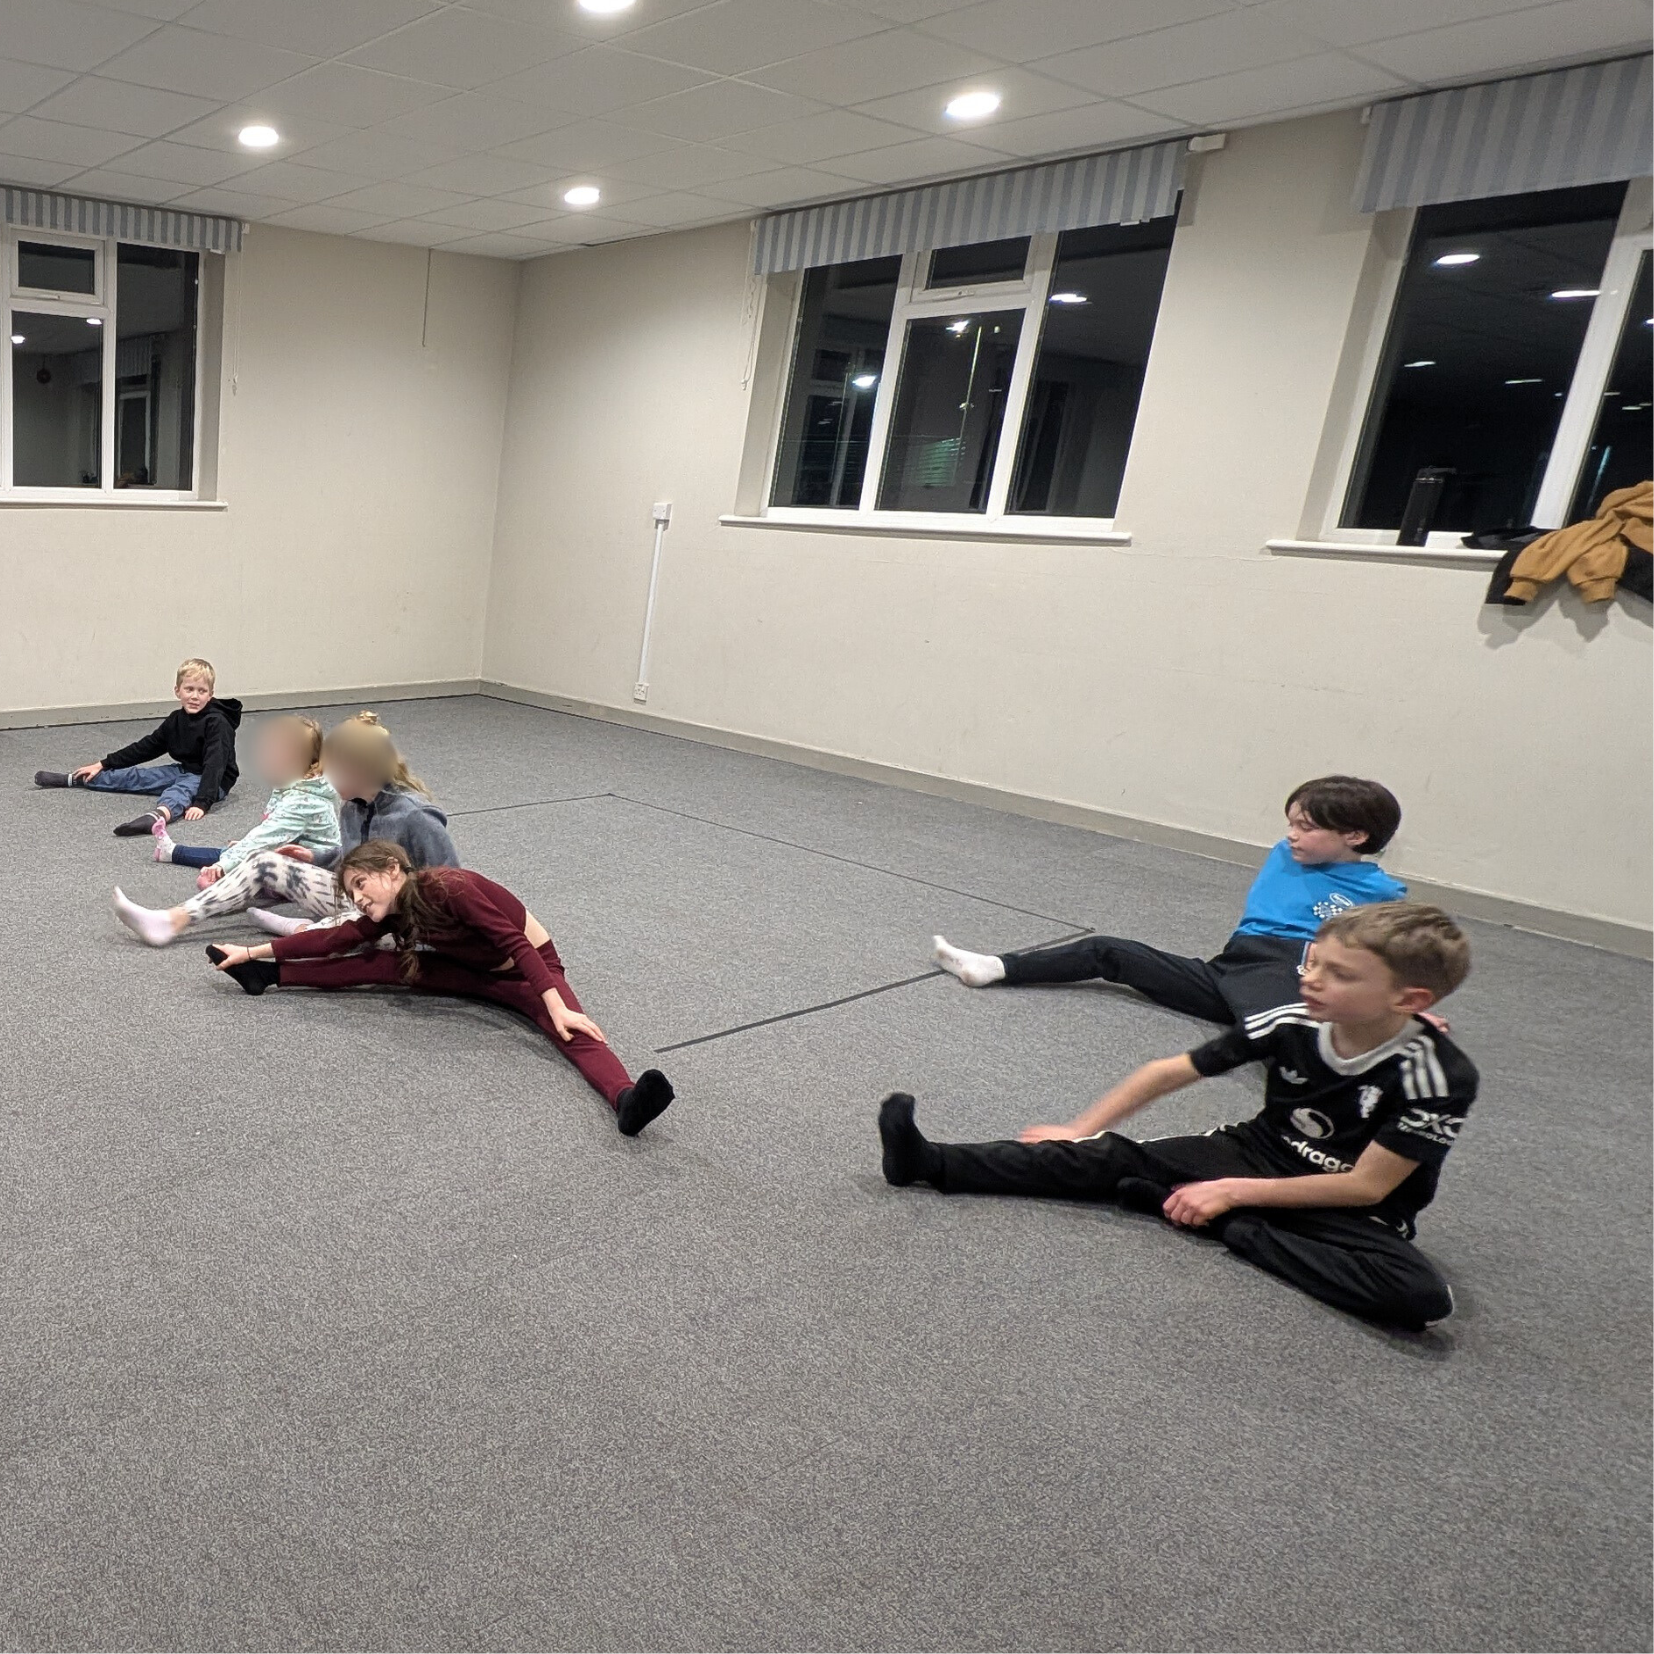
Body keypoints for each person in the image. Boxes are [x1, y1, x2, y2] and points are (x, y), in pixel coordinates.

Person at [879, 902, 1474, 1330]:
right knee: (1107, 1158)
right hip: (1254, 1153)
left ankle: (1242, 1231)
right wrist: (1080, 1128)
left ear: (1410, 1000)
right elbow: (1170, 1071)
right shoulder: (1292, 1021)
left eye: (1338, 975)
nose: (1310, 980)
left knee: (1420, 1296)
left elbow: (1366, 1186)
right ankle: (932, 1162)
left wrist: (1231, 1195)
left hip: (1346, 1203)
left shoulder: (1437, 1075)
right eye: (1313, 962)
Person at [205, 840, 675, 1138]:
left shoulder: (449, 887)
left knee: (571, 1029)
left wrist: (554, 1002)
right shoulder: (390, 911)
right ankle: (269, 977)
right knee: (375, 962)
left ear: (393, 869)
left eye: (362, 884)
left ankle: (625, 1099)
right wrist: (251, 953)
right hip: (469, 970)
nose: (360, 899)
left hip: (525, 969)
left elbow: (514, 942)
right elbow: (333, 939)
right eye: (352, 894)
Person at [932, 775, 1407, 1026]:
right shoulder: (1287, 853)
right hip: (1231, 970)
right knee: (1108, 950)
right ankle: (996, 967)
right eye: (1290, 823)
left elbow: (1390, 961)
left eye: (1306, 827)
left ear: (1355, 835)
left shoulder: (1383, 894)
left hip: (1294, 970)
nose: (1291, 834)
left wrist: (1403, 1010)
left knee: (1292, 1023)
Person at [110, 710, 457, 947]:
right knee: (264, 861)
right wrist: (316, 857)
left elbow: (453, 887)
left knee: (355, 929)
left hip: (396, 920)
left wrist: (400, 916)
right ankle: (173, 919)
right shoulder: (353, 807)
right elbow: (353, 860)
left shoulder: (416, 817)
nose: (326, 779)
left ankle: (300, 930)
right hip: (357, 899)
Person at [34, 657, 241, 835]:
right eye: (189, 689)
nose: (195, 696)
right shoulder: (176, 719)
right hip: (186, 770)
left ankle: (158, 817)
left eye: (202, 691)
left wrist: (202, 802)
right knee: (139, 777)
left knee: (181, 790)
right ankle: (76, 779)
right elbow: (147, 747)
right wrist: (104, 763)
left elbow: (215, 764)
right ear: (177, 691)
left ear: (210, 695)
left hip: (214, 781)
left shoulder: (218, 723)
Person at [146, 713, 340, 873]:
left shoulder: (303, 802)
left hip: (314, 871)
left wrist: (224, 866)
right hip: (294, 854)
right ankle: (173, 852)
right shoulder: (293, 786)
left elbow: (265, 839)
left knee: (244, 861)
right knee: (238, 851)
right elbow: (274, 831)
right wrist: (243, 846)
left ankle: (179, 860)